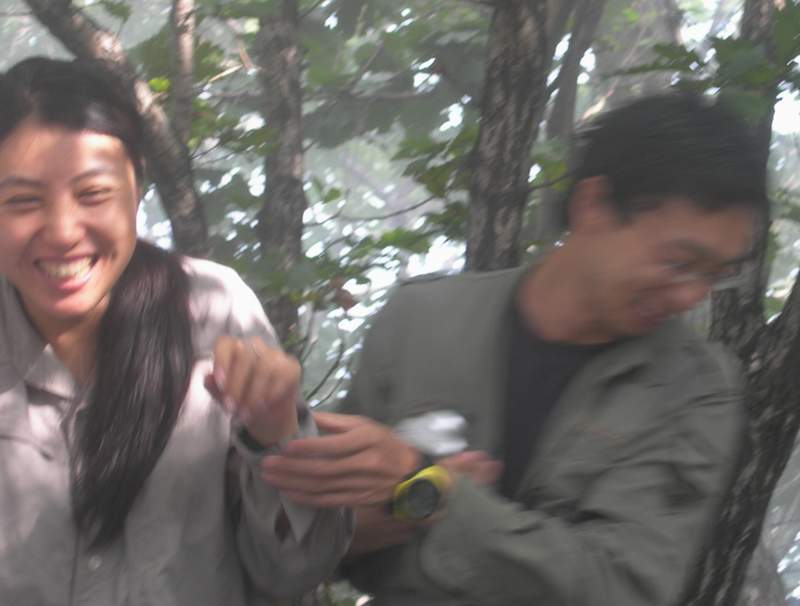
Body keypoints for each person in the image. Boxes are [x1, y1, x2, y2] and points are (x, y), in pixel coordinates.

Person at [261, 93, 767, 605]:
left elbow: (621, 589)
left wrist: (429, 491)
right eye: (679, 263)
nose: (691, 296)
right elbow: (322, 543)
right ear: (592, 205)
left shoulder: (693, 387)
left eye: (715, 275)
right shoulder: (421, 321)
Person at [0, 57, 351, 606]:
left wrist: (275, 435)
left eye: (93, 194)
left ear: (137, 187)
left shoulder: (214, 311)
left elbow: (294, 572)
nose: (64, 232)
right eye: (23, 201)